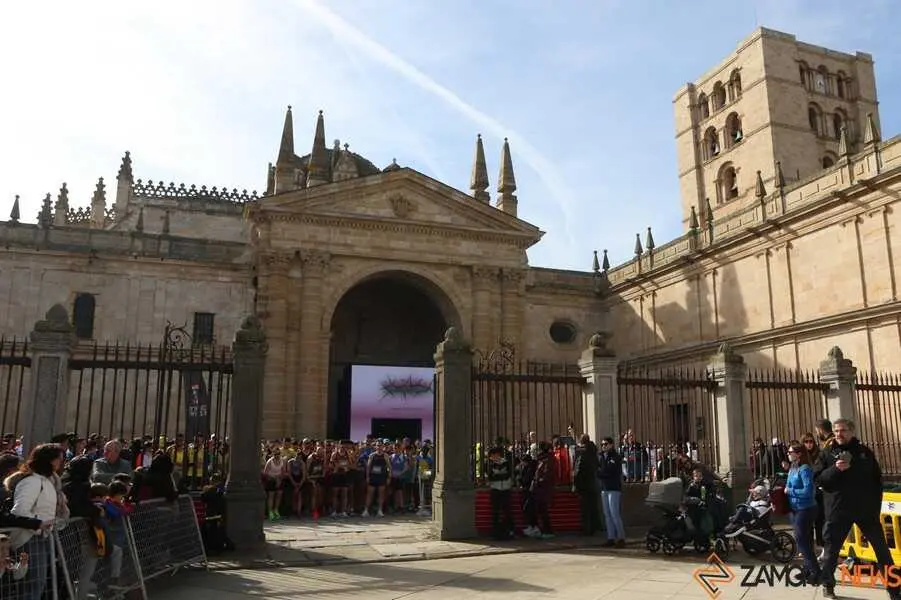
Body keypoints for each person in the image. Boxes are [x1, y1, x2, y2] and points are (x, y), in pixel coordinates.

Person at [814, 419, 899, 600]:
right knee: (831, 552)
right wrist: (835, 470)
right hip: (838, 511)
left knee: (882, 551)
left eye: (843, 430)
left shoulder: (864, 453)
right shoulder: (827, 453)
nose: (838, 434)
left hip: (865, 511)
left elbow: (877, 481)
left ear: (851, 431)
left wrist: (874, 508)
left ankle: (895, 590)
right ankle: (828, 586)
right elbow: (818, 480)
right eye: (836, 430)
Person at [5, 444, 65, 600]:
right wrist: (39, 524)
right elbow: (20, 511)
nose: (61, 461)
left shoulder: (46, 481)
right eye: (58, 458)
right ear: (50, 460)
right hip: (29, 538)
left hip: (40, 536)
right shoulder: (32, 482)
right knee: (32, 585)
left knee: (36, 584)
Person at [785, 442, 820, 585]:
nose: (788, 454)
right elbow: (788, 485)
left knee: (801, 540)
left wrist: (791, 491)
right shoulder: (793, 468)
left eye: (790, 452)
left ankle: (816, 572)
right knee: (804, 540)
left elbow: (808, 491)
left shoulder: (805, 469)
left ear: (798, 454)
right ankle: (807, 570)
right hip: (795, 509)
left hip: (806, 509)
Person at [597, 436, 625, 548]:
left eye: (606, 444)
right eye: (602, 444)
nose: (603, 446)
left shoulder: (615, 456)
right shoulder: (601, 456)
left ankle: (621, 537)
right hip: (604, 488)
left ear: (611, 445)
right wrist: (601, 472)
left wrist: (601, 472)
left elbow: (610, 470)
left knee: (615, 514)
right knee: (607, 514)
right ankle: (611, 537)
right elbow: (598, 469)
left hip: (613, 488)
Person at [485, 439, 514, 540]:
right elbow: (490, 477)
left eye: (493, 455)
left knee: (507, 511)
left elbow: (507, 475)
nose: (492, 458)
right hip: (495, 489)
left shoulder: (506, 462)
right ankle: (496, 532)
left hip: (505, 489)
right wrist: (499, 475)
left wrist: (497, 475)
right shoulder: (490, 464)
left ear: (497, 454)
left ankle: (509, 531)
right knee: (495, 512)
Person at [572, 434, 600, 536]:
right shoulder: (593, 451)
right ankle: (594, 528)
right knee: (593, 506)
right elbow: (597, 465)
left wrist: (575, 483)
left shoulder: (580, 452)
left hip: (583, 483)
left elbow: (577, 470)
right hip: (592, 481)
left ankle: (586, 529)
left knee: (585, 508)